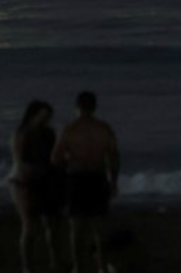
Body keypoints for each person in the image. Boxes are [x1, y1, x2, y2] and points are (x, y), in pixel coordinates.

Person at [52, 90, 121, 273]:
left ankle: (79, 267)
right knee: (100, 228)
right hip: (98, 178)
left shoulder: (70, 129)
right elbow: (113, 157)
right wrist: (113, 181)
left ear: (77, 107)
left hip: (76, 179)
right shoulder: (104, 128)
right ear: (94, 107)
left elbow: (55, 159)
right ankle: (101, 268)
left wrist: (69, 158)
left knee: (76, 228)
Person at [7, 100, 62, 273]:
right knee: (29, 226)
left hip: (44, 180)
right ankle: (27, 267)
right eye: (43, 116)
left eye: (48, 117)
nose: (46, 120)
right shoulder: (21, 133)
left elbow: (54, 158)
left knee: (52, 225)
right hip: (24, 183)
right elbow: (20, 161)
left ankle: (55, 262)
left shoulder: (48, 132)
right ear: (33, 115)